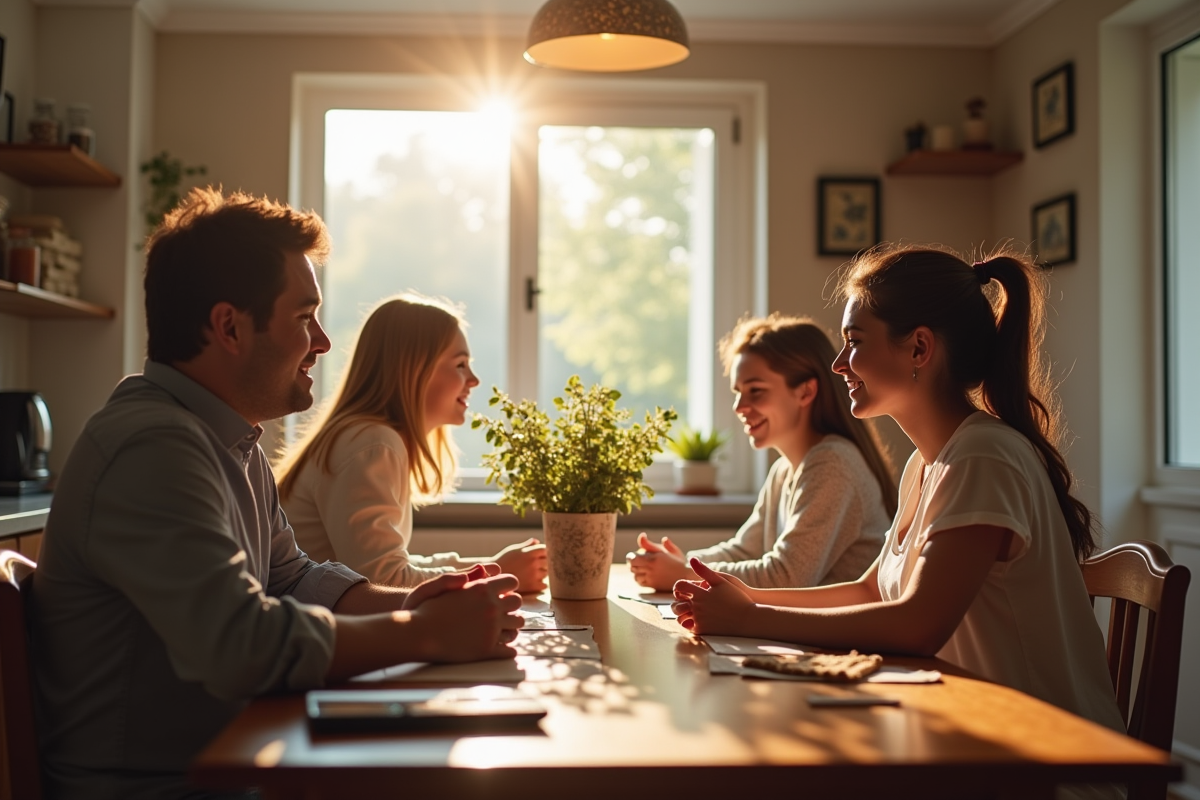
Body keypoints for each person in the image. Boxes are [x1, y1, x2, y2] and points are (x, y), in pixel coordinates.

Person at [29, 188, 523, 800]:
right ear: (229, 327)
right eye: (302, 317)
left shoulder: (226, 439)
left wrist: (414, 599)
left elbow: (291, 578)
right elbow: (242, 645)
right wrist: (424, 632)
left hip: (231, 756)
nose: (322, 341)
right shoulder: (152, 448)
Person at [673, 245, 1125, 799]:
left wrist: (752, 619)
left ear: (919, 347)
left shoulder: (984, 457)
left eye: (855, 342)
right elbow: (872, 588)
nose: (839, 363)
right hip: (965, 741)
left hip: (1040, 768)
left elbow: (916, 624)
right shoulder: (926, 462)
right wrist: (745, 598)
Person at [275, 294, 548, 592]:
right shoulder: (373, 444)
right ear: (415, 369)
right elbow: (384, 581)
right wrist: (493, 574)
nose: (474, 380)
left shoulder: (366, 437)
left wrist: (491, 566)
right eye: (460, 364)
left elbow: (392, 566)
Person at [628, 314, 895, 590]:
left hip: (844, 633)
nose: (739, 406)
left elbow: (787, 576)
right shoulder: (784, 470)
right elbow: (744, 551)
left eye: (755, 390)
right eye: (738, 392)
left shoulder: (833, 464)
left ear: (805, 391)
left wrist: (683, 572)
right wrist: (681, 562)